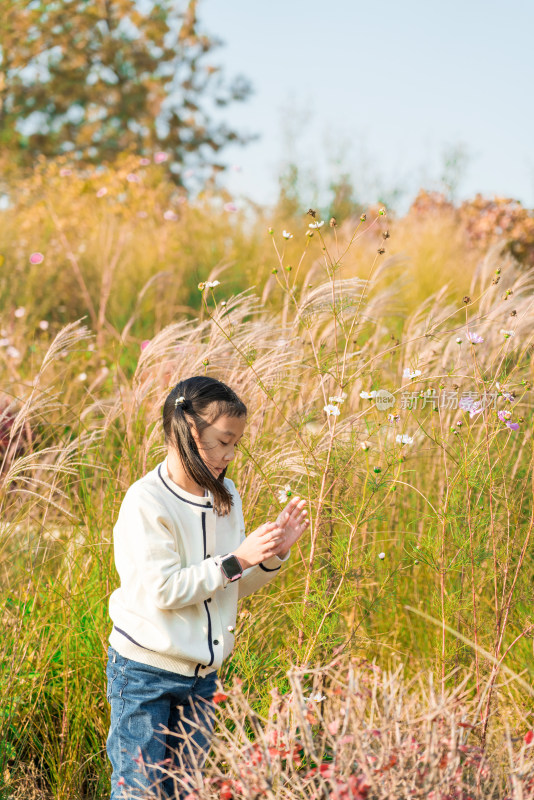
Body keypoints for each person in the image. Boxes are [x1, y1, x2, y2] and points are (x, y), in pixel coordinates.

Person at [105, 375, 309, 800]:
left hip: (202, 679)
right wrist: (238, 558)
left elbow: (225, 586)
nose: (230, 455)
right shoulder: (146, 501)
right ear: (188, 432)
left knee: (188, 793)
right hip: (145, 674)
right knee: (139, 792)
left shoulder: (225, 496)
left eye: (236, 444)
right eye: (223, 441)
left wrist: (270, 556)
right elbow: (164, 591)